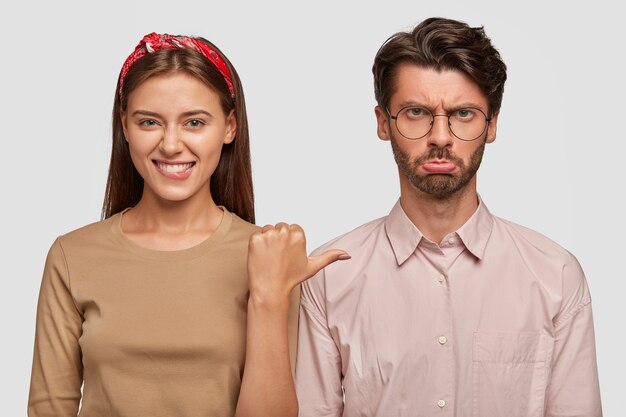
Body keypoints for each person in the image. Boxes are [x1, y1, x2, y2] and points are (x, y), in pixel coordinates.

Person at [28, 32, 348, 417]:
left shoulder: (268, 254)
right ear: (125, 127)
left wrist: (268, 294)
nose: (171, 144)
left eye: (194, 122)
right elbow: (50, 409)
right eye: (149, 122)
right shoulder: (72, 255)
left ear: (229, 127)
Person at [295, 17, 602, 417]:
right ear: (382, 123)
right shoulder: (328, 278)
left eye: (463, 114)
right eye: (417, 112)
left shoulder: (555, 276)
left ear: (491, 124)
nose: (440, 136)